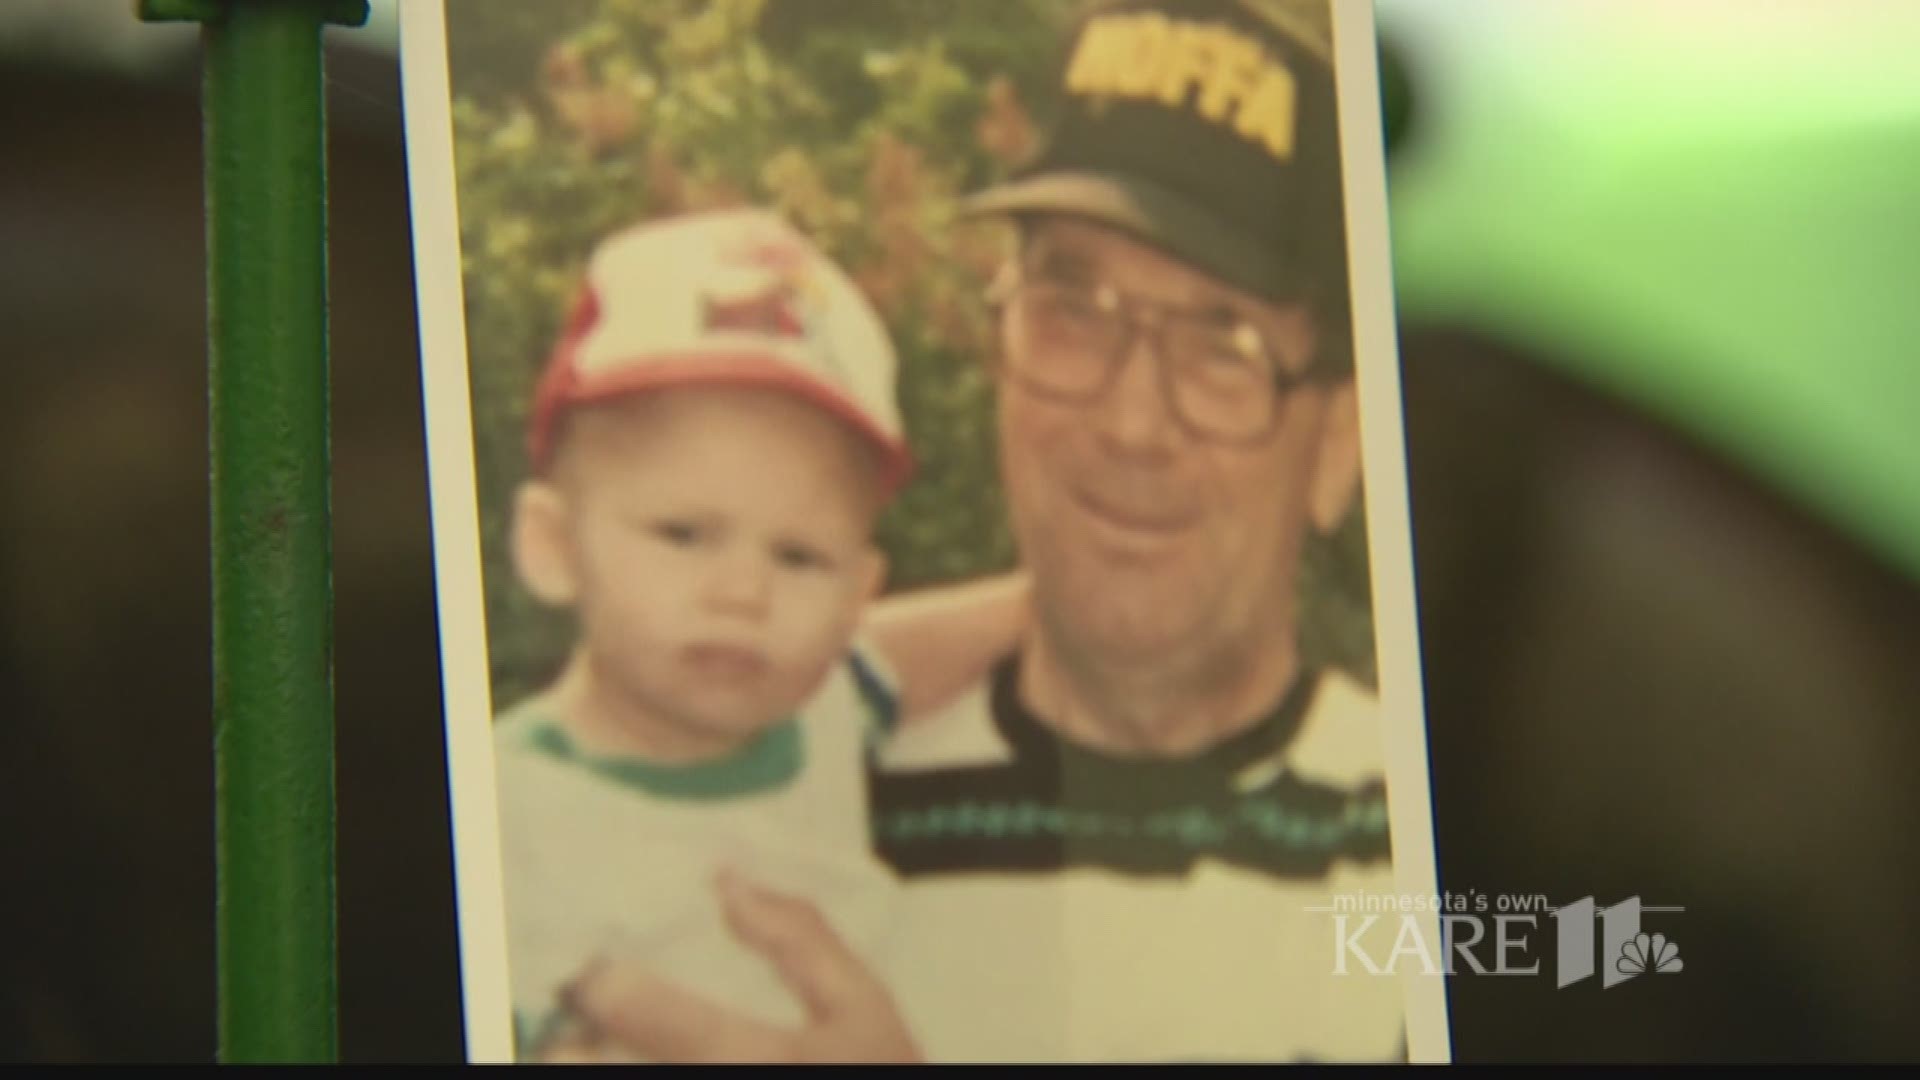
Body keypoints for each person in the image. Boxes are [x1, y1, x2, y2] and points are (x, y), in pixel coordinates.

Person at [562, 0, 1409, 1062]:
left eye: (1221, 347)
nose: (1131, 422)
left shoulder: (1424, 863)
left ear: (1337, 444)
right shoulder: (787, 811)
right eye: (1074, 307)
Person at [489, 207, 1028, 1061]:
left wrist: (1045, 601)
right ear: (553, 548)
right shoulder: (500, 814)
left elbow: (899, 654)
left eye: (800, 556)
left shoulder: (818, 714)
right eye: (684, 534)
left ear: (856, 594)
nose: (743, 593)